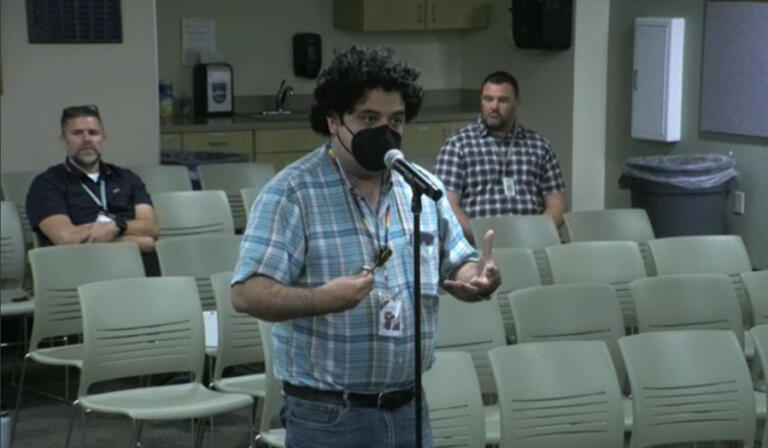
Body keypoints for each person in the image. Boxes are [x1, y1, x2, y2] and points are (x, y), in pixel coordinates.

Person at [230, 46, 501, 448]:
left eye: (396, 120)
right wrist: (322, 299)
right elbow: (245, 294)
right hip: (330, 414)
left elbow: (456, 262)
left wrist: (476, 277)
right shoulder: (293, 193)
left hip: (410, 406)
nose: (385, 132)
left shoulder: (422, 188)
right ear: (334, 121)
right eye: (369, 118)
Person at [434, 70, 567, 245]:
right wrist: (483, 240)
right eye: (488, 99)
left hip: (532, 245)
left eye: (502, 100)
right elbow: (447, 207)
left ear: (517, 102)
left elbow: (557, 205)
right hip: (477, 247)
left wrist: (534, 237)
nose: (494, 106)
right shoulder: (458, 145)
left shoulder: (540, 147)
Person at [26, 105, 158, 253]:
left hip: (139, 265)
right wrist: (132, 243)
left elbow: (151, 227)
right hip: (81, 266)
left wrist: (116, 226)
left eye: (93, 133)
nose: (87, 139)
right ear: (63, 141)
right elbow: (67, 238)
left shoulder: (128, 178)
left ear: (104, 139)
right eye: (77, 133)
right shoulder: (47, 184)